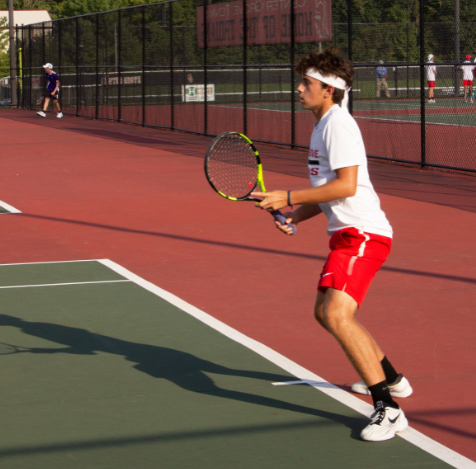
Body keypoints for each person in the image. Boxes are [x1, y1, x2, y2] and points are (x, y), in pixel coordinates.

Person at [251, 47, 412, 442]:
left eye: (306, 82)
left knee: (338, 315)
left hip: (364, 234)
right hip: (346, 234)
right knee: (325, 314)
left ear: (328, 89)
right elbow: (328, 193)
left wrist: (287, 196)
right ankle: (392, 379)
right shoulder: (321, 125)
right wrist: (294, 215)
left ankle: (387, 409)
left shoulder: (338, 125)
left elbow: (347, 186)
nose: (299, 88)